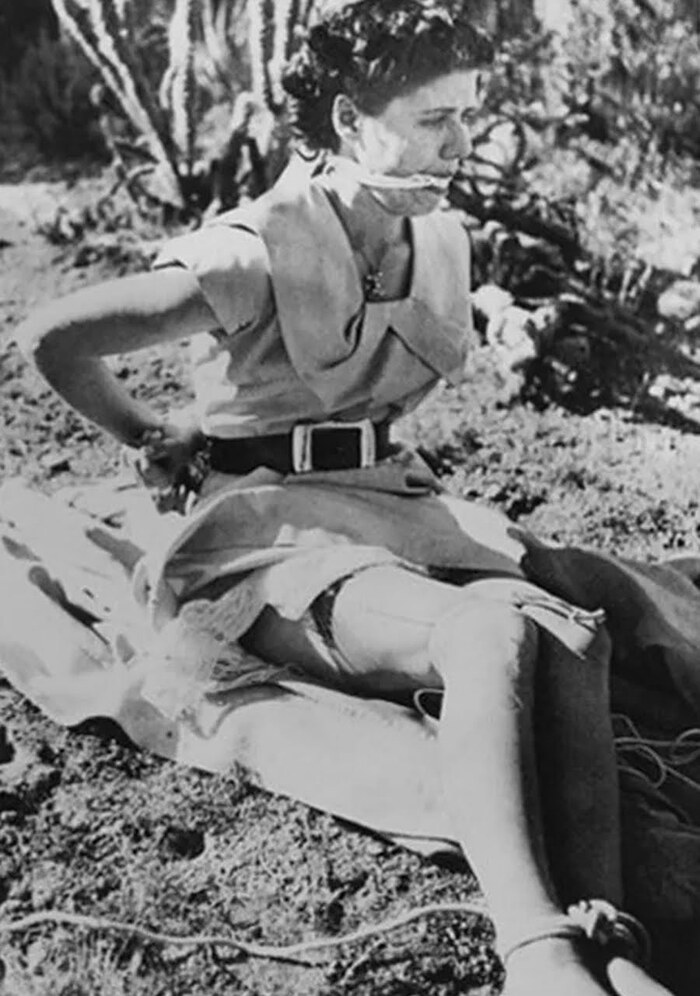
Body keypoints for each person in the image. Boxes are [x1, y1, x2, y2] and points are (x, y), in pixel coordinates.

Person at [11, 2, 698, 994]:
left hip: (386, 499)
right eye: (433, 119)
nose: (460, 145)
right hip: (262, 528)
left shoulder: (438, 237)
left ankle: (611, 942)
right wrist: (150, 434)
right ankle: (537, 953)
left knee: (573, 630)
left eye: (468, 116)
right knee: (491, 634)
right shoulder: (250, 251)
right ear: (346, 120)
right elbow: (52, 338)